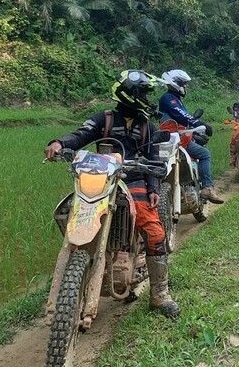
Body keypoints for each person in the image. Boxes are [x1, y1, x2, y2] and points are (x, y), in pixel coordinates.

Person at [44, 70, 180, 317]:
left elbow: (153, 158)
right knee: (69, 213)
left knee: (154, 230)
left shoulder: (146, 126)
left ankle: (160, 294)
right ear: (130, 94)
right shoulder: (103, 119)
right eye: (143, 93)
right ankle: (80, 267)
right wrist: (60, 143)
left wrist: (153, 187)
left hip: (134, 181)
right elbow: (81, 134)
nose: (147, 98)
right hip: (102, 180)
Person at [158, 69, 224, 204]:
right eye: (184, 84)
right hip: (176, 142)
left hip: (179, 139)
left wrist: (194, 129)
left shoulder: (175, 99)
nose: (186, 86)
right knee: (205, 154)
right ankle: (208, 188)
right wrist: (200, 123)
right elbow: (181, 116)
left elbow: (182, 121)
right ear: (176, 83)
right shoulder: (168, 99)